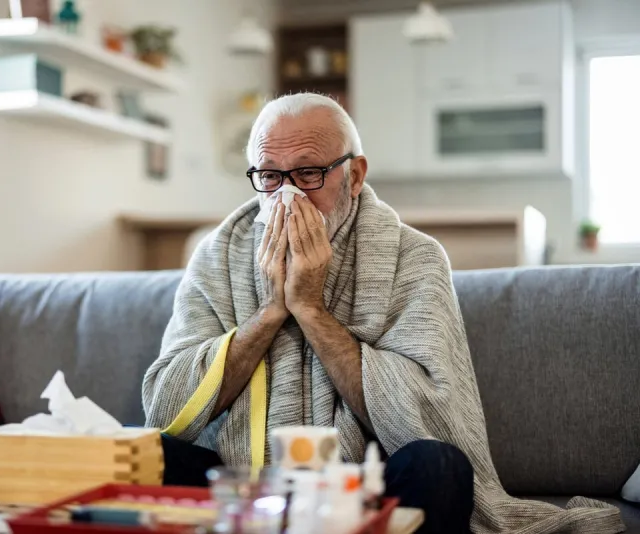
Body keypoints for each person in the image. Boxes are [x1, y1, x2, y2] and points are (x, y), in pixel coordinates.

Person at [142, 93, 624, 534]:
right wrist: (271, 311)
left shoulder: (415, 258)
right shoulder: (218, 256)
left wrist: (310, 309)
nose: (288, 196)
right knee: (146, 455)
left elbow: (431, 416)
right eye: (270, 176)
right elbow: (166, 406)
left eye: (308, 174)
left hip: (367, 484)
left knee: (439, 466)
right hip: (244, 482)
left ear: (354, 176)